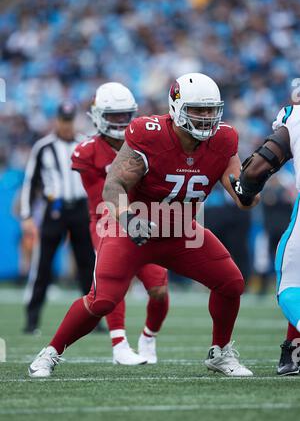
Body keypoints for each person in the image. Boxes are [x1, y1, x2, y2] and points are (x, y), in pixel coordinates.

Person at [29, 72, 259, 378]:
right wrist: (128, 218)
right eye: (198, 110)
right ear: (176, 108)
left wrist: (255, 183)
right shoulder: (149, 133)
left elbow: (241, 197)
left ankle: (220, 352)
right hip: (132, 229)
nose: (206, 117)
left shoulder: (225, 138)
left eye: (210, 109)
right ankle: (50, 353)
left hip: (181, 231)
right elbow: (113, 185)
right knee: (103, 301)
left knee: (231, 282)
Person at [71, 82, 169, 365]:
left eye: (124, 115)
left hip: (144, 221)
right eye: (113, 116)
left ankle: (149, 337)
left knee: (159, 289)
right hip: (105, 223)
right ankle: (119, 345)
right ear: (99, 116)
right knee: (114, 285)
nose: (120, 121)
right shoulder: (87, 151)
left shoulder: (145, 144)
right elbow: (102, 196)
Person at [229, 104, 300, 376]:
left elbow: (258, 167)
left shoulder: (294, 115)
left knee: (291, 286)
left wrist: (245, 189)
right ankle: (293, 352)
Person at [20, 102, 95, 333]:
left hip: (81, 209)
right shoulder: (43, 147)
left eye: (70, 120)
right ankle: (32, 319)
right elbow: (30, 182)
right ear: (57, 121)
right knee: (42, 265)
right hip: (55, 209)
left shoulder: (85, 143)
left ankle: (93, 318)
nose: (66, 125)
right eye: (63, 120)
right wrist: (27, 214)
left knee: (87, 264)